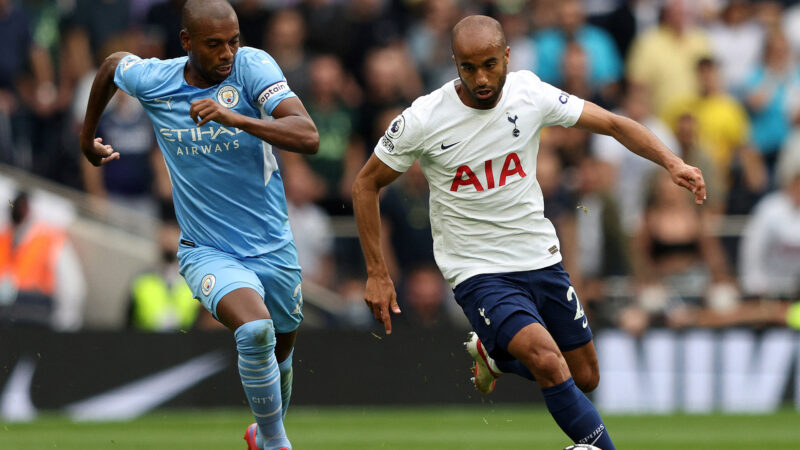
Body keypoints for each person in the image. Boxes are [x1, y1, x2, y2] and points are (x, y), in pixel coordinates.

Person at [352, 15, 706, 449]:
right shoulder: (424, 118)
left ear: (507, 56)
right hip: (478, 270)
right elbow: (365, 184)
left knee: (584, 376)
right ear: (454, 64)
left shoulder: (530, 93)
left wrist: (673, 162)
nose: (481, 79)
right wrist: (377, 272)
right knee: (548, 361)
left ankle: (497, 359)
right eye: (468, 68)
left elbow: (614, 124)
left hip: (539, 257)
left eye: (489, 65)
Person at [78, 1, 319, 449]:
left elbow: (308, 135)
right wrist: (86, 138)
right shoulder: (157, 79)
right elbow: (112, 66)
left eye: (233, 41)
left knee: (281, 353)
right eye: (214, 44)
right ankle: (275, 443)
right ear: (186, 42)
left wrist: (237, 118)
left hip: (272, 245)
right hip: (206, 249)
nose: (227, 53)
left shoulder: (252, 68)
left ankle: (263, 433)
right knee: (255, 331)